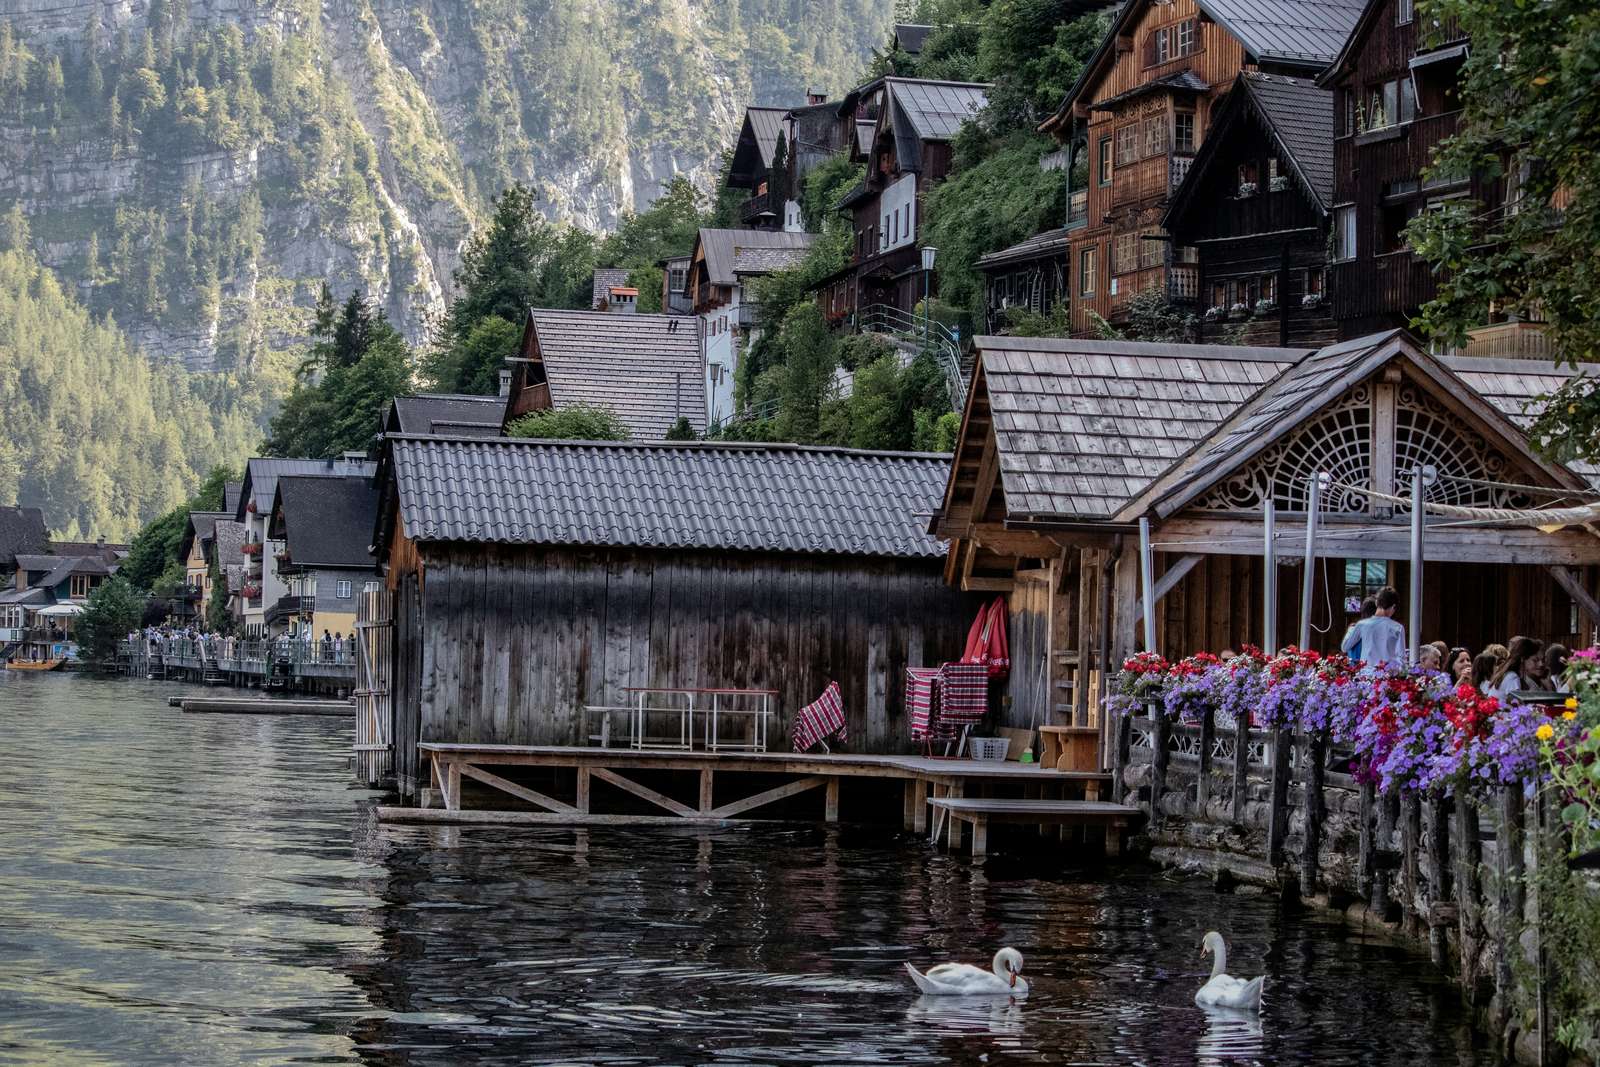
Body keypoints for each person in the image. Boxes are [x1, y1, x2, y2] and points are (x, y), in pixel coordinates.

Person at [1342, 587, 1406, 667]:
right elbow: (1402, 659)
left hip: (1365, 675)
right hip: (1388, 675)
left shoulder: (1362, 625)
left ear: (1376, 603)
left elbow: (1345, 647)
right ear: (1393, 606)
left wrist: (1351, 630)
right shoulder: (1398, 628)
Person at [1489, 637, 1545, 701]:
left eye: (1543, 660)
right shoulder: (1512, 677)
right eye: (1535, 660)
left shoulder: (1508, 673)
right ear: (1523, 659)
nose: (1541, 664)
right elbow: (1515, 705)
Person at [1342, 597, 1378, 661]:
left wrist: (1350, 630)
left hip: (1356, 666)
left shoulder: (1355, 628)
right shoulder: (1379, 629)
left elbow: (1344, 648)